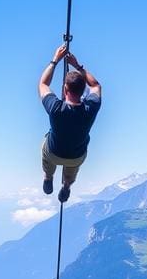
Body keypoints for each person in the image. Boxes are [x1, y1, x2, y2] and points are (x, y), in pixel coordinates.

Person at [38, 43, 101, 203]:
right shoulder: (90, 108)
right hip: (76, 155)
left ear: (65, 89)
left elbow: (43, 84)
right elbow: (95, 85)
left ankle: (48, 177)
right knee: (72, 168)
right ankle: (66, 186)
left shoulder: (55, 108)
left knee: (46, 143)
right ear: (82, 91)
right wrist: (78, 66)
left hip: (53, 153)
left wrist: (55, 60)